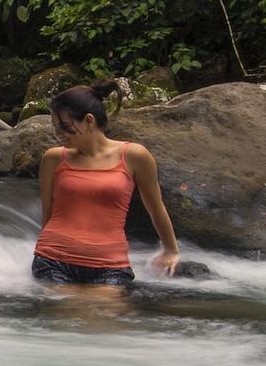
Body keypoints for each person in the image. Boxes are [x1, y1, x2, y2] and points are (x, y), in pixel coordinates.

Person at [33, 80, 180, 286]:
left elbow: (155, 207)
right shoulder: (53, 158)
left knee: (103, 315)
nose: (58, 134)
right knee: (66, 316)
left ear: (89, 121)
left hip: (110, 265)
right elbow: (47, 214)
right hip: (53, 260)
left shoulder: (134, 156)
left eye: (64, 126)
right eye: (55, 126)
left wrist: (171, 250)